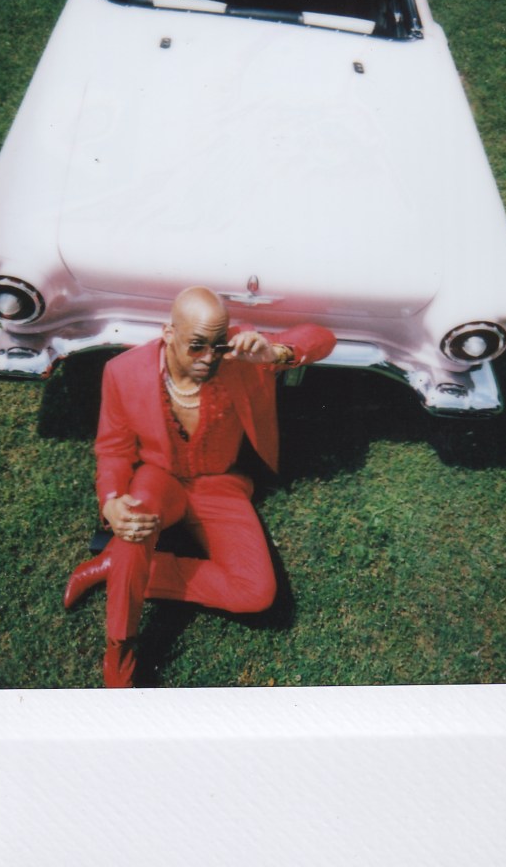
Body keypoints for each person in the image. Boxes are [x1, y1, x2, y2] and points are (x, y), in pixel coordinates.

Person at [63, 285, 336, 687]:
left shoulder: (242, 357)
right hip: (159, 477)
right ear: (169, 333)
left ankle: (113, 567)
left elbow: (322, 337)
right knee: (135, 521)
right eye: (196, 346)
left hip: (220, 485)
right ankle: (120, 650)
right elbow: (113, 449)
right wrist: (111, 501)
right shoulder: (123, 372)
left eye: (217, 344)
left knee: (256, 593)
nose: (209, 357)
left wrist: (275, 353)